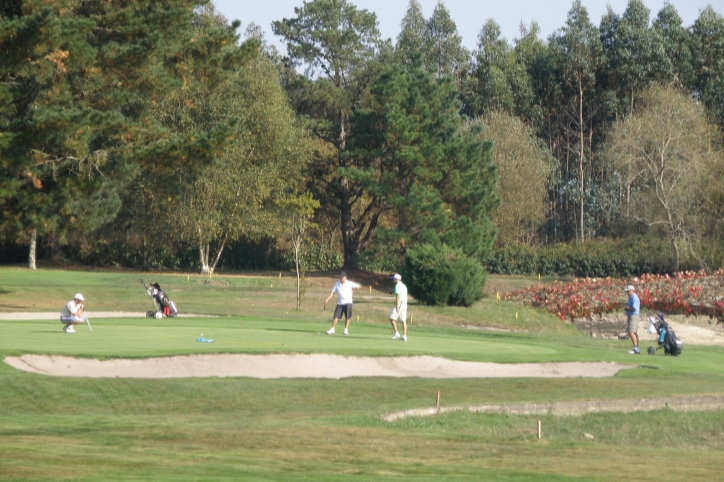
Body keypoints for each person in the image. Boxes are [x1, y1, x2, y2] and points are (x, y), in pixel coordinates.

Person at [389, 273, 408, 341]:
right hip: (405, 304)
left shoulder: (397, 286)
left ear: (397, 279)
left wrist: (397, 306)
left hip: (399, 304)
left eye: (394, 279)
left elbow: (398, 296)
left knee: (391, 318)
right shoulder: (404, 286)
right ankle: (404, 335)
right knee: (403, 320)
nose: (393, 280)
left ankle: (396, 332)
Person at [624, 284, 641, 354]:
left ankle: (636, 349)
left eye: (628, 291)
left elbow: (634, 308)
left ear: (631, 290)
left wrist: (626, 307)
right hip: (632, 315)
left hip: (633, 315)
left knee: (631, 332)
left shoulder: (634, 297)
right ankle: (636, 348)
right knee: (633, 332)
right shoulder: (631, 297)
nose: (627, 293)